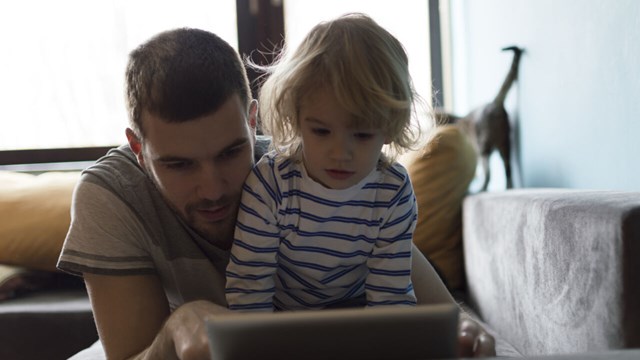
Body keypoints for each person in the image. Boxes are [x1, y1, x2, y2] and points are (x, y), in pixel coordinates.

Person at [57, 26, 496, 360]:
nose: (213, 188)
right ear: (138, 147)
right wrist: (177, 325)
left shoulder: (308, 169)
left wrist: (461, 329)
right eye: (179, 164)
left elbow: (425, 302)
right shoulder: (110, 196)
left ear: (253, 122)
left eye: (232, 153)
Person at [225, 13, 421, 311]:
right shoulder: (271, 182)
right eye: (321, 131)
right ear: (296, 118)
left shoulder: (393, 190)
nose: (340, 152)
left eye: (362, 134)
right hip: (281, 322)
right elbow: (249, 290)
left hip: (355, 315)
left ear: (390, 129)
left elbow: (390, 298)